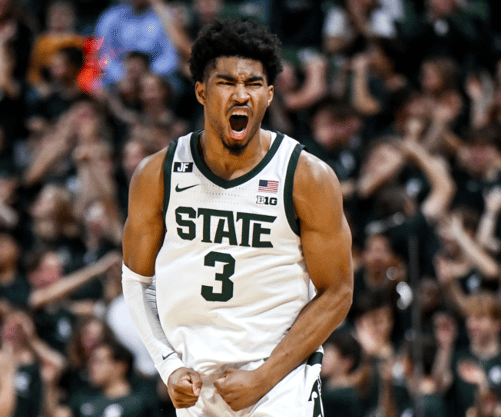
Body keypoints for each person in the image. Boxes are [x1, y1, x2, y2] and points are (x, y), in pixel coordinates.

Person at [121, 18, 353, 417]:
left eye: (254, 84)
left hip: (280, 388)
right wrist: (168, 365)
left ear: (270, 95)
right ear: (201, 92)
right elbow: (137, 282)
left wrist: (264, 378)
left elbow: (337, 293)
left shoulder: (305, 176)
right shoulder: (157, 174)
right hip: (197, 389)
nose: (241, 94)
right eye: (226, 82)